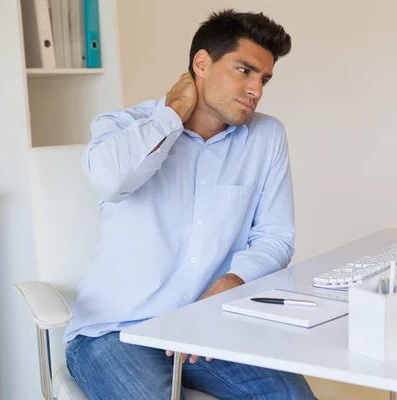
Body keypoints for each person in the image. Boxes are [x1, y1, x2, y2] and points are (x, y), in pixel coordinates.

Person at [63, 9, 316, 400]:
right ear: (202, 63)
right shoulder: (124, 126)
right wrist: (174, 113)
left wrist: (230, 283)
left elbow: (275, 236)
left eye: (263, 79)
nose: (257, 90)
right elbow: (110, 179)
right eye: (244, 70)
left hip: (208, 328)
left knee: (292, 396)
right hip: (114, 332)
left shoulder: (266, 136)